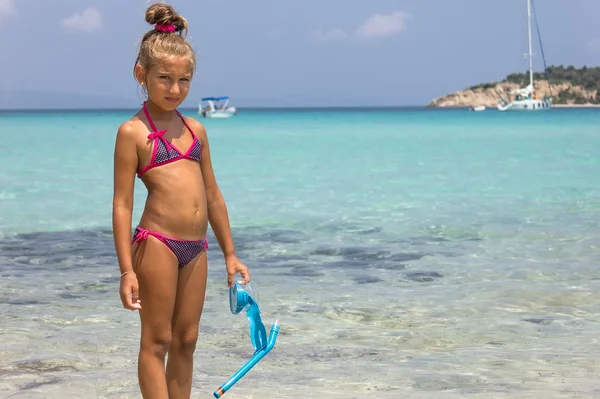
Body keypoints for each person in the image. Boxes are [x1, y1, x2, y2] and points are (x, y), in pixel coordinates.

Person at [111, 3, 251, 398]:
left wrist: (231, 253)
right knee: (157, 341)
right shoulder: (133, 133)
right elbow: (122, 204)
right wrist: (126, 271)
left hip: (197, 248)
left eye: (184, 80)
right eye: (165, 78)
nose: (174, 89)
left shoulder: (197, 130)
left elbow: (212, 195)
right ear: (143, 75)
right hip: (157, 244)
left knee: (187, 339)